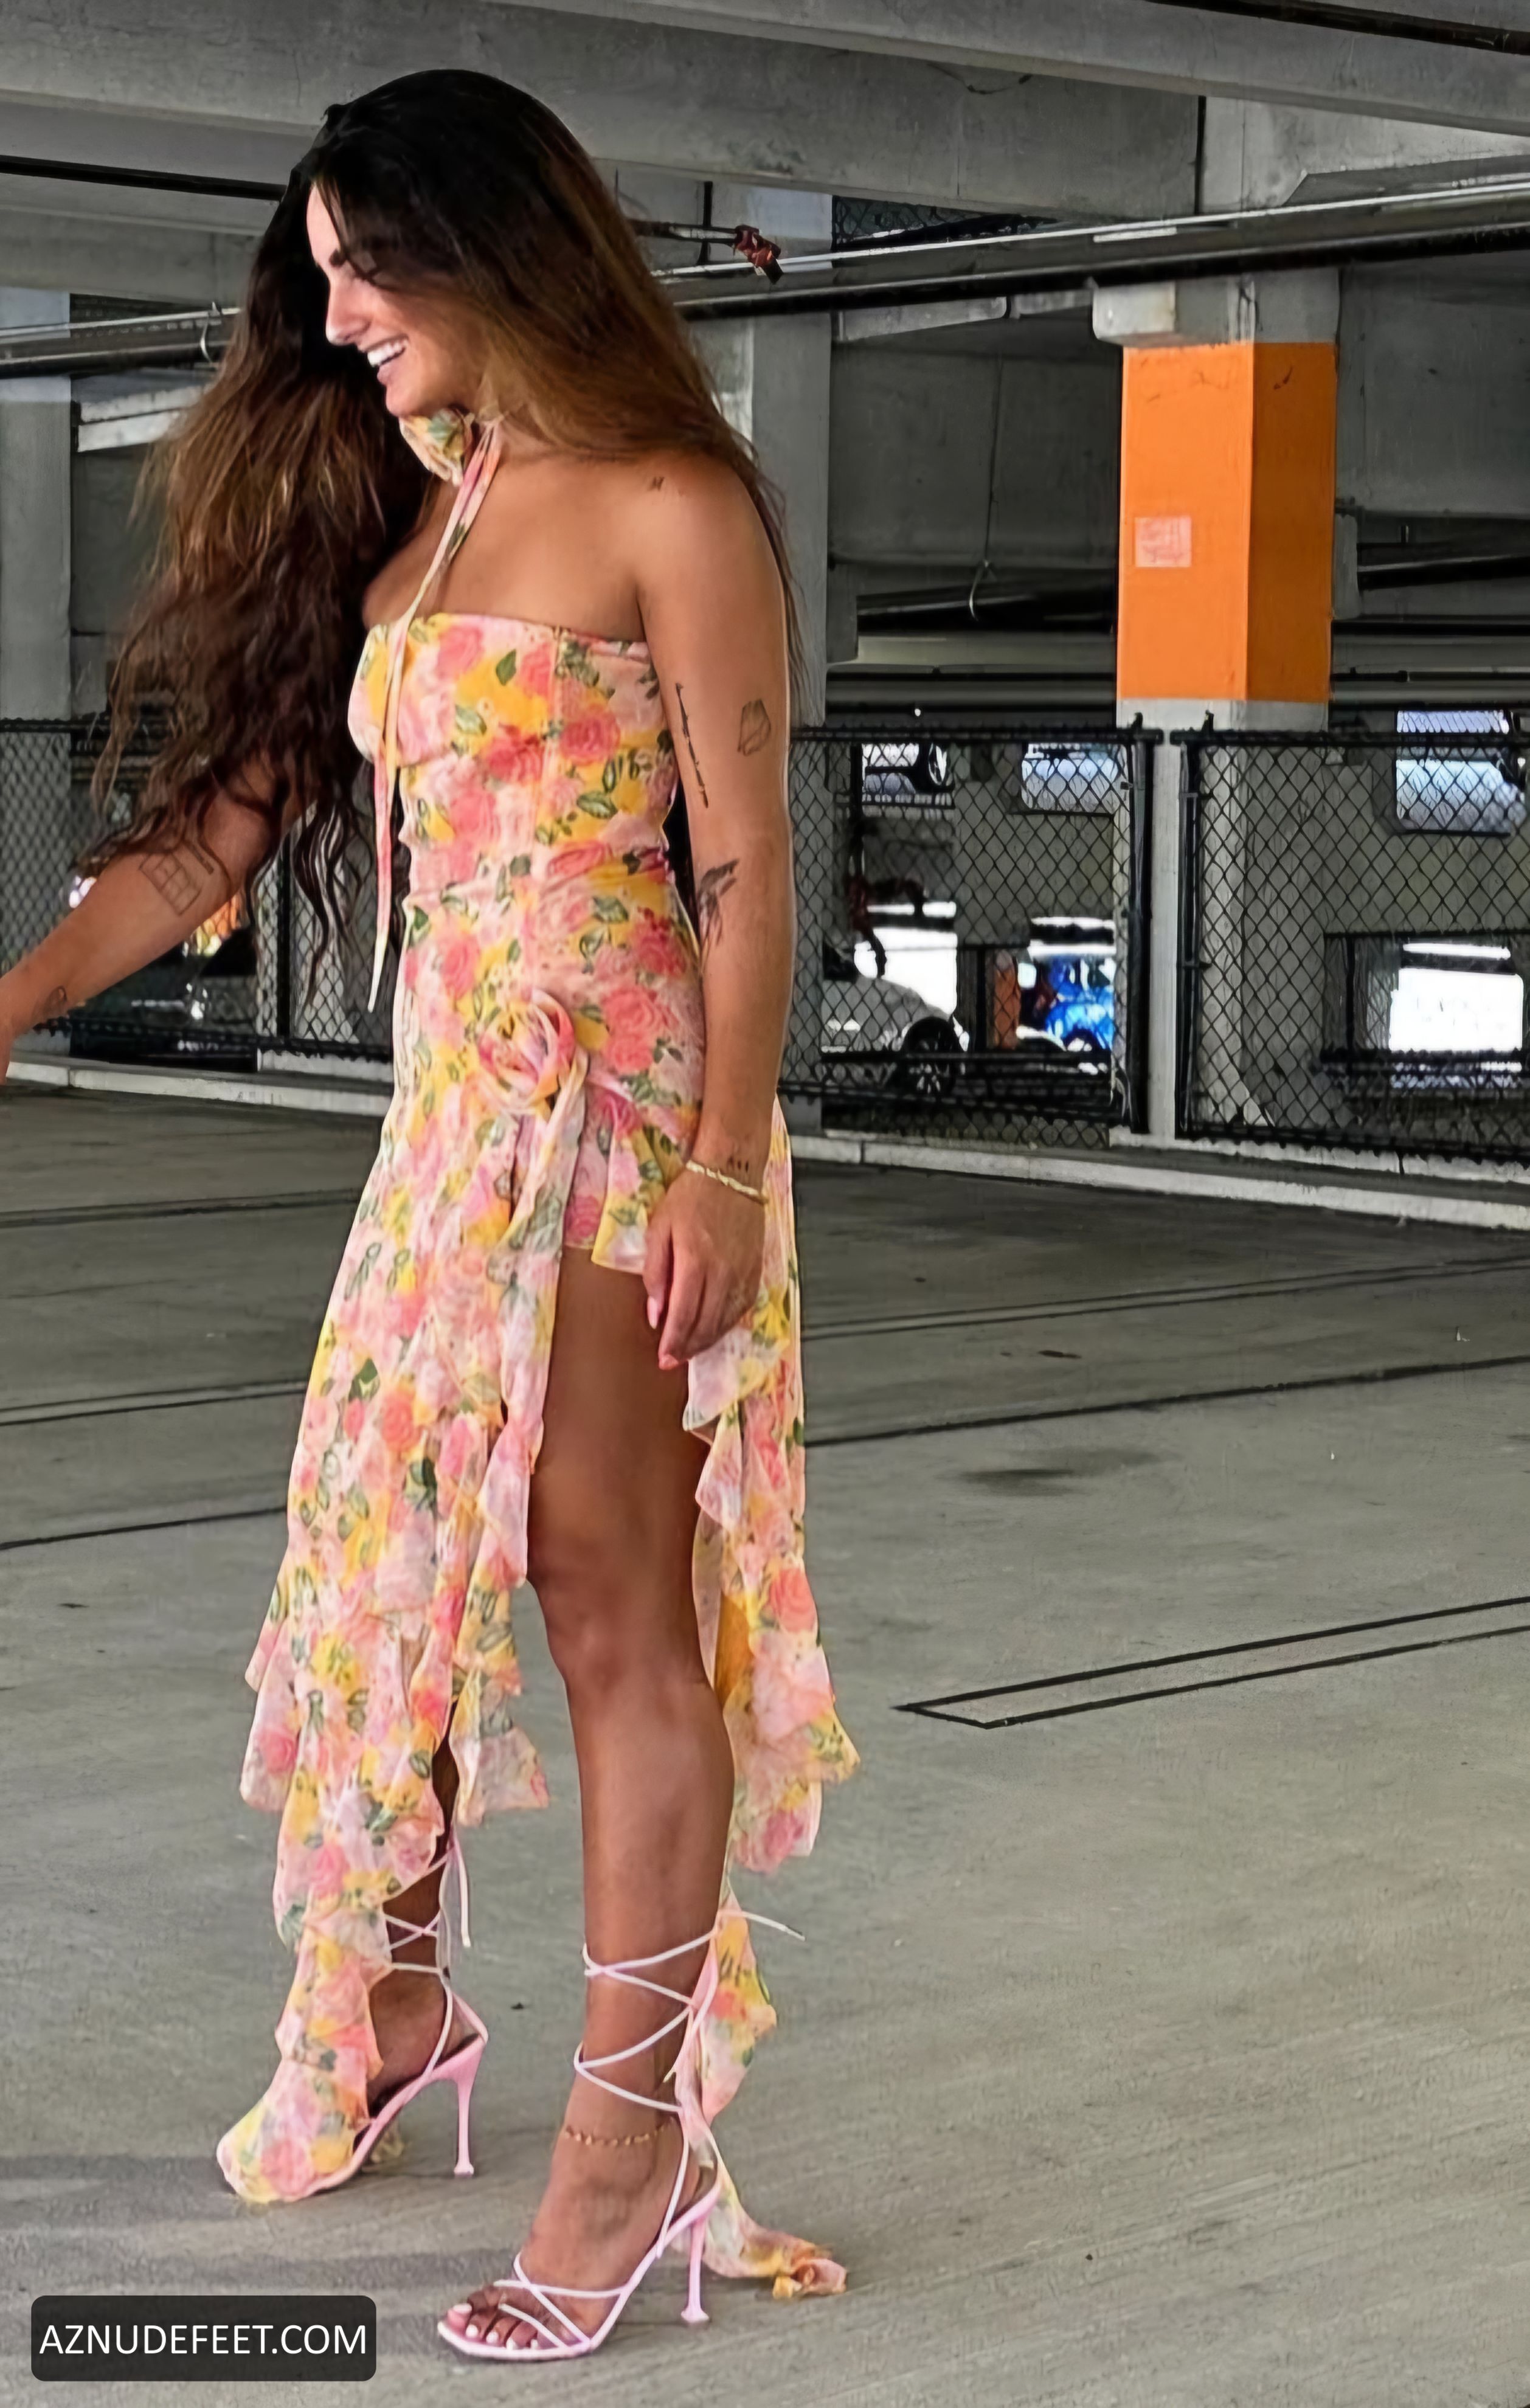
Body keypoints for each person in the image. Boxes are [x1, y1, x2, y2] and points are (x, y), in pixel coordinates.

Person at [0, 68, 856, 2363]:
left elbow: (747, 874)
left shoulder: (669, 501)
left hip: (617, 1115)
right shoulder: (419, 505)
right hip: (446, 1127)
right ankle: (390, 2008)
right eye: (322, 278)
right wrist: (16, 998)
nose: (339, 315)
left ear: (493, 246)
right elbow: (218, 827)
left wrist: (722, 1165)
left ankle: (627, 2149)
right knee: (380, 1553)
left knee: (602, 1598)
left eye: (367, 269)